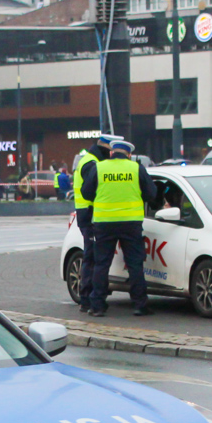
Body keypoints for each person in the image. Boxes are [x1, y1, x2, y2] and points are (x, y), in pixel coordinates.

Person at [80, 139, 157, 318]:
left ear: (111, 152)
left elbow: (86, 193)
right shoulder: (136, 169)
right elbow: (151, 193)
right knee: (135, 264)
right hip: (131, 223)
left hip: (104, 223)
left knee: (101, 264)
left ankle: (97, 305)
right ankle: (139, 305)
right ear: (128, 155)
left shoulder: (99, 168)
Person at [71, 134, 114, 313]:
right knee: (92, 256)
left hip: (86, 213)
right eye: (110, 152)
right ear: (105, 149)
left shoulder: (90, 160)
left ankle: (88, 297)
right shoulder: (91, 164)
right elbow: (94, 190)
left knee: (92, 256)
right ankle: (87, 298)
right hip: (89, 214)